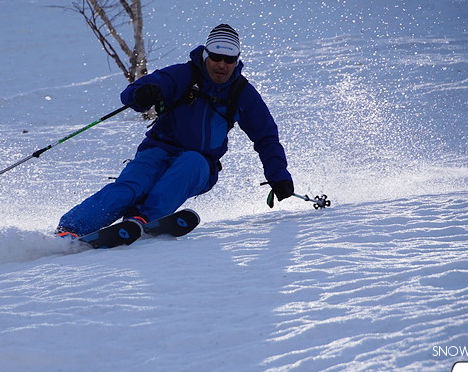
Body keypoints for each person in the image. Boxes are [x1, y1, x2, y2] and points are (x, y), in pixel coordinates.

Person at [56, 23, 294, 238]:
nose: (221, 65)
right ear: (206, 55)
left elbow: (266, 137)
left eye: (228, 60)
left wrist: (278, 174)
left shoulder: (242, 93)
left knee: (190, 162)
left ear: (237, 60)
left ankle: (141, 220)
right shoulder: (184, 75)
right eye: (216, 57)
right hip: (157, 151)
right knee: (130, 188)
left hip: (200, 164)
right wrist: (143, 94)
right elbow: (133, 93)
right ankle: (70, 230)